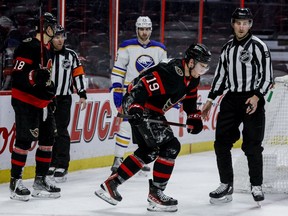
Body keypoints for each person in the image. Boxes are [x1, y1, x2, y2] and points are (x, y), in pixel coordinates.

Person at [95, 43, 212, 212]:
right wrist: (136, 107)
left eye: (206, 67)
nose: (203, 70)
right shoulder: (172, 71)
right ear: (191, 62)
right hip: (138, 102)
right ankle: (156, 194)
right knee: (171, 147)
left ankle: (111, 184)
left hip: (150, 108)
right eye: (202, 66)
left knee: (149, 151)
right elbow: (143, 86)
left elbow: (190, 101)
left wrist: (194, 117)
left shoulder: (193, 79)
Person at [201, 8, 273, 204]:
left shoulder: (259, 46)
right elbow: (220, 77)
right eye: (238, 23)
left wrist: (257, 97)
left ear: (250, 25)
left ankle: (256, 185)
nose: (241, 26)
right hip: (231, 100)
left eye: (245, 23)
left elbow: (268, 77)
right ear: (233, 24)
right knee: (221, 144)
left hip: (252, 100)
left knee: (253, 146)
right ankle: (226, 184)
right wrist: (210, 100)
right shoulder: (227, 48)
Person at [9, 12, 61, 201]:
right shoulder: (28, 46)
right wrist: (33, 77)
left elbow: (46, 79)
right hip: (25, 102)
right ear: (44, 26)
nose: (55, 29)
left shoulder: (47, 48)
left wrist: (51, 95)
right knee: (24, 141)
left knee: (48, 141)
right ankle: (15, 182)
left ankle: (40, 180)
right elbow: (18, 75)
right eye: (52, 25)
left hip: (43, 103)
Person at [110, 16, 167, 175]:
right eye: (141, 29)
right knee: (127, 125)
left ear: (151, 30)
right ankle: (118, 159)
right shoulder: (126, 46)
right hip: (132, 93)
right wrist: (116, 89)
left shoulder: (160, 49)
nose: (144, 32)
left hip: (150, 94)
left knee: (145, 127)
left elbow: (164, 74)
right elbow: (118, 70)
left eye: (147, 29)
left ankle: (140, 159)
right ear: (137, 30)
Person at [47, 25, 87, 183]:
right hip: (47, 98)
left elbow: (78, 74)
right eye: (56, 37)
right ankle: (52, 162)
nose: (59, 40)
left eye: (61, 37)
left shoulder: (71, 55)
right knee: (50, 131)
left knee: (61, 130)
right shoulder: (45, 54)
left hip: (64, 98)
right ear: (51, 38)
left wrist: (82, 93)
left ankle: (62, 164)